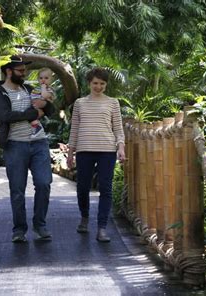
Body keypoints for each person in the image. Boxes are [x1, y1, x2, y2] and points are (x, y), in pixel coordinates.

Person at [0, 55, 55, 243]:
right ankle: (19, 229)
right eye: (20, 71)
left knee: (43, 183)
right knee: (17, 189)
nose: (24, 74)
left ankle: (40, 224)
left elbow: (50, 109)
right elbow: (5, 115)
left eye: (25, 70)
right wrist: (33, 113)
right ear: (9, 71)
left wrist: (45, 105)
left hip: (39, 142)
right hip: (15, 144)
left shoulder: (28, 89)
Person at [66, 67, 125, 243]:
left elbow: (118, 129)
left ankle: (102, 228)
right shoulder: (80, 103)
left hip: (107, 150)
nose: (98, 86)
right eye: (95, 83)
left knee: (105, 188)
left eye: (102, 83)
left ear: (106, 84)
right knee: (82, 187)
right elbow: (74, 129)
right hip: (84, 150)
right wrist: (70, 153)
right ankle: (84, 217)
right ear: (89, 83)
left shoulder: (113, 103)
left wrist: (121, 148)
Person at [30, 68, 55, 138]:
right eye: (41, 78)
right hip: (33, 106)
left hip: (41, 109)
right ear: (38, 79)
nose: (43, 80)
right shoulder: (36, 88)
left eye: (46, 78)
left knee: (34, 118)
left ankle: (37, 129)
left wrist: (43, 88)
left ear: (51, 79)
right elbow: (31, 96)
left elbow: (44, 96)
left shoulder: (50, 90)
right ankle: (35, 129)